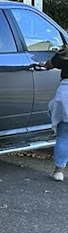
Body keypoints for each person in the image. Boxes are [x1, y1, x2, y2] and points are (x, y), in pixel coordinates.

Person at [39, 46, 68, 181]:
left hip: (65, 93)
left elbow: (50, 64)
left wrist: (44, 65)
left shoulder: (66, 51)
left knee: (64, 134)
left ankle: (59, 171)